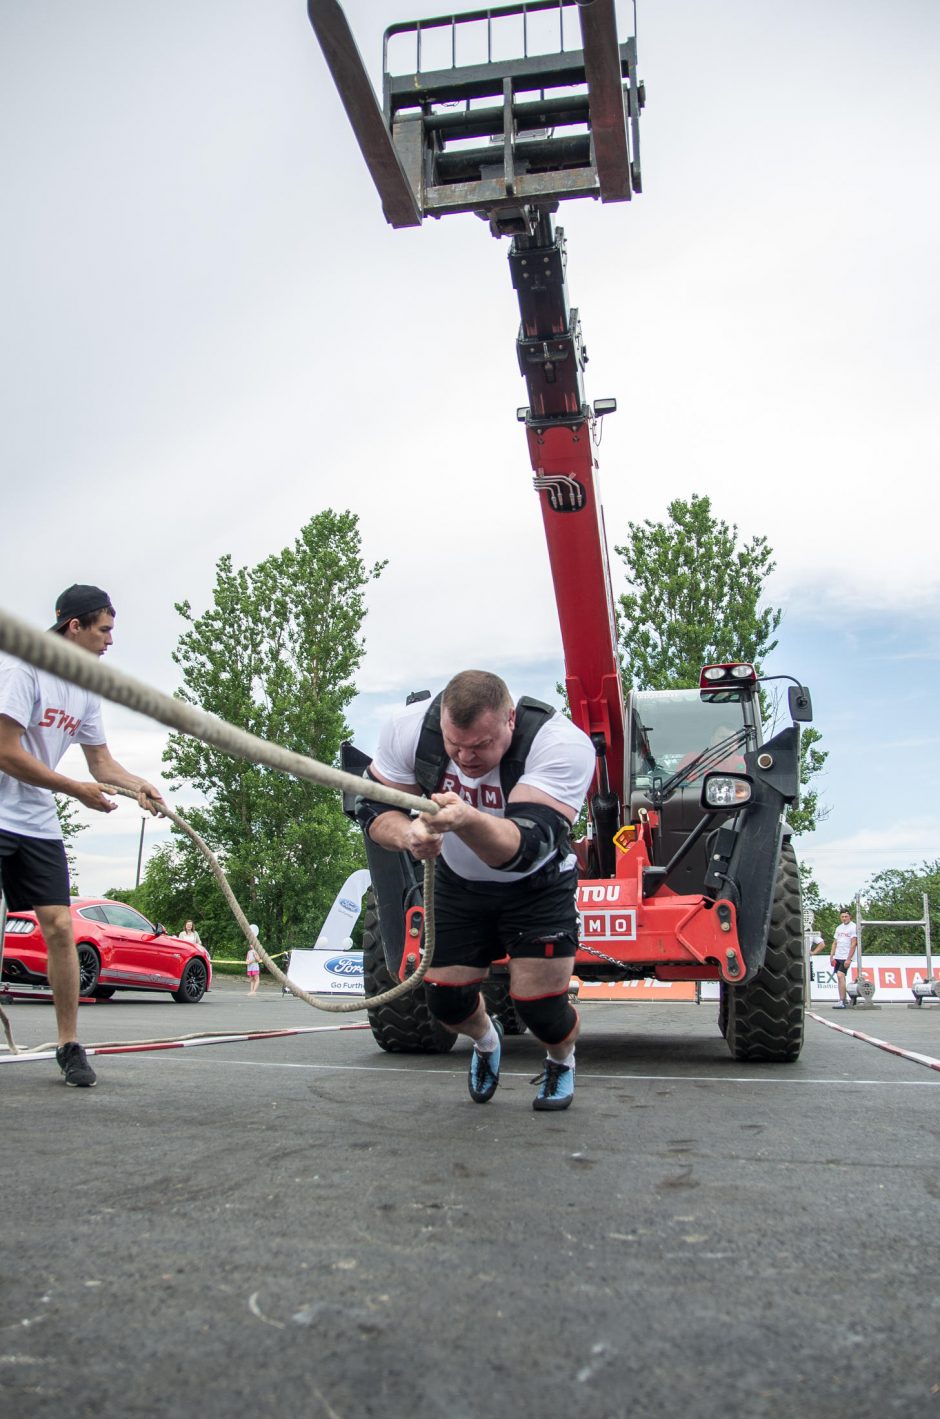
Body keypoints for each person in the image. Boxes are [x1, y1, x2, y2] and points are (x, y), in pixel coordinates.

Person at [358, 670, 595, 1111]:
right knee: (446, 1003)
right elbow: (374, 808)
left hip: (537, 886)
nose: (465, 758)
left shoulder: (560, 744)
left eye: (481, 745)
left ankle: (561, 1059)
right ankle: (487, 1041)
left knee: (540, 1008)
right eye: (455, 744)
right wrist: (409, 835)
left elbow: (523, 849)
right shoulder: (408, 729)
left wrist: (465, 820)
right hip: (458, 885)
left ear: (509, 720)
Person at [0, 585, 163, 1087]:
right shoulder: (22, 670)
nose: (110, 640)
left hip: (37, 819)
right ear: (75, 626)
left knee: (60, 928)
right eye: (104, 629)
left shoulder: (85, 687)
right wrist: (76, 790)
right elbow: (5, 750)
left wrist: (138, 786)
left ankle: (69, 1045)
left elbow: (100, 763)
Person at [829, 910, 858, 1009]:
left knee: (840, 975)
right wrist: (832, 955)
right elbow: (835, 942)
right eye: (842, 916)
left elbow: (854, 943)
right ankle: (843, 999)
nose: (844, 918)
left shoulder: (853, 927)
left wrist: (849, 959)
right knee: (840, 977)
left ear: (850, 917)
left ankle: (842, 1000)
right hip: (838, 956)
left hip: (846, 956)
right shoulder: (839, 928)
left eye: (846, 916)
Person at [246, 926, 261, 994]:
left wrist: (255, 956)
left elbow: (258, 960)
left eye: (253, 944)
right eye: (251, 944)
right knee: (251, 980)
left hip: (255, 966)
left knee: (256, 979)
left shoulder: (256, 951)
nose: (251, 945)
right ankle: (251, 991)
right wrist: (247, 962)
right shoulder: (249, 952)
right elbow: (247, 960)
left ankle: (254, 991)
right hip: (250, 967)